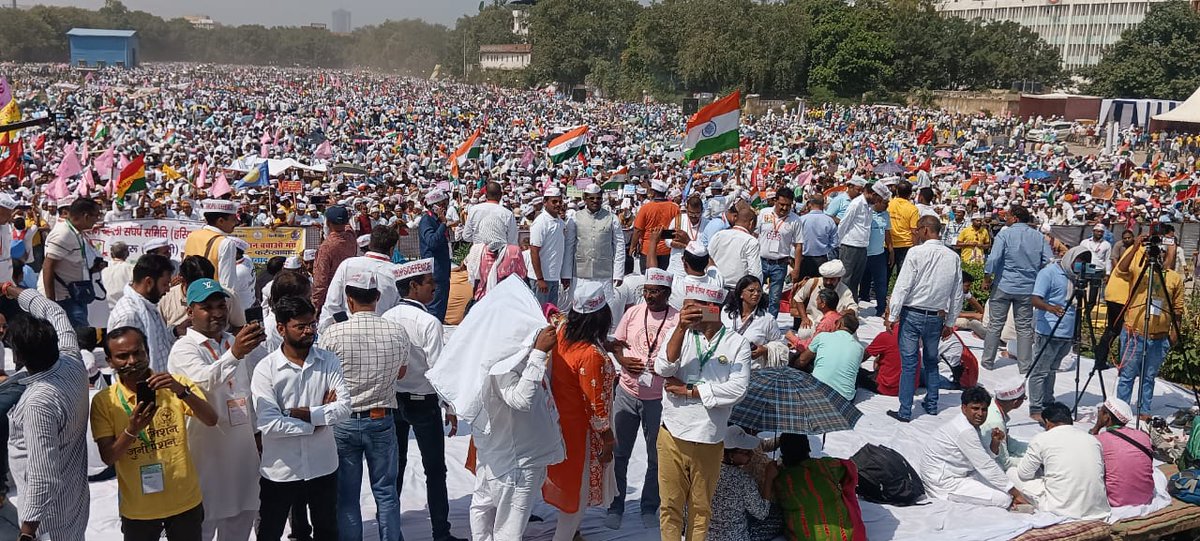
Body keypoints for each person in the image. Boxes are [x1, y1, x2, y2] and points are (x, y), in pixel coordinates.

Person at [92, 326, 220, 540]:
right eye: (122, 356)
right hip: (139, 509)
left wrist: (182, 391)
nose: (132, 361)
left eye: (137, 352)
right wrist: (132, 430)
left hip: (184, 501)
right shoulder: (105, 401)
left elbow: (211, 419)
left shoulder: (175, 386)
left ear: (147, 352)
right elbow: (108, 457)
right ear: (109, 362)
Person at [167, 278, 269, 541]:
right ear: (189, 311)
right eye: (207, 307)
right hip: (205, 456)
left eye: (221, 305)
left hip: (242, 455)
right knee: (201, 525)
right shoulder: (184, 349)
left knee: (240, 522)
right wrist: (234, 354)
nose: (217, 313)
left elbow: (247, 391)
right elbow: (202, 382)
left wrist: (257, 432)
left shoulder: (233, 342)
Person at [655, 281, 752, 541]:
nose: (685, 313)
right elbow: (662, 369)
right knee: (670, 506)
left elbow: (737, 390)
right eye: (684, 308)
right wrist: (679, 329)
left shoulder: (737, 344)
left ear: (712, 309)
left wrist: (690, 390)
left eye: (691, 309)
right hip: (672, 433)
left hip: (709, 437)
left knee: (700, 508)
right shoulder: (681, 333)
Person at [318, 273, 410, 541]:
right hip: (381, 418)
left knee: (347, 495)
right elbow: (401, 372)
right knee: (386, 492)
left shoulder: (332, 333)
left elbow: (323, 378)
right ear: (378, 297)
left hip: (344, 421)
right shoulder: (396, 330)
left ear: (349, 300)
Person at [251, 296, 351, 541]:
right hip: (281, 471)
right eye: (301, 326)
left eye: (313, 324)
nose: (309, 331)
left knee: (327, 530)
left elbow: (345, 407)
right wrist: (316, 423)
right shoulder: (266, 369)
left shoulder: (328, 361)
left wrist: (304, 413)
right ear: (281, 328)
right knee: (271, 532)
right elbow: (269, 423)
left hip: (322, 466)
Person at [383, 259, 465, 541]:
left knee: (397, 466)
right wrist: (450, 406)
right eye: (429, 282)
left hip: (394, 399)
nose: (434, 287)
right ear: (414, 287)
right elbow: (438, 369)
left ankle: (390, 531)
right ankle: (441, 533)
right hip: (423, 401)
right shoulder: (428, 322)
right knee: (434, 469)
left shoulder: (387, 317)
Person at [5, 284, 90, 541]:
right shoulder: (71, 360)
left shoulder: (38, 403)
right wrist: (16, 291)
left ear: (18, 356)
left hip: (49, 520)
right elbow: (56, 313)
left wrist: (27, 532)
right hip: (75, 499)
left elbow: (43, 476)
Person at [468, 326, 564, 541]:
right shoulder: (503, 363)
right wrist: (539, 354)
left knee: (483, 506)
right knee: (508, 531)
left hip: (502, 452)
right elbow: (520, 399)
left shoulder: (498, 355)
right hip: (517, 462)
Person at [544, 282, 617, 541]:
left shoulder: (561, 329)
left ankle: (572, 533)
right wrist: (608, 440)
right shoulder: (591, 355)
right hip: (580, 431)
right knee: (578, 489)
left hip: (556, 421)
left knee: (568, 483)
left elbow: (551, 313)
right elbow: (595, 407)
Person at [606, 268, 677, 529]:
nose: (649, 296)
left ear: (667, 294)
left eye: (655, 292)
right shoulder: (633, 313)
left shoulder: (676, 321)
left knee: (655, 456)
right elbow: (616, 343)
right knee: (619, 452)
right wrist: (623, 360)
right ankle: (616, 505)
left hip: (658, 398)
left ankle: (649, 506)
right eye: (646, 291)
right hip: (626, 392)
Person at [885, 215, 962, 423]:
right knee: (931, 361)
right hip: (936, 316)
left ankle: (905, 410)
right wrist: (950, 322)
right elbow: (957, 294)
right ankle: (932, 404)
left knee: (910, 363)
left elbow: (903, 285)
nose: (916, 233)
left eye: (918, 230)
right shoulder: (952, 257)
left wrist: (893, 314)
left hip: (913, 314)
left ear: (926, 230)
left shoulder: (916, 252)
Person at [919, 386, 1030, 510]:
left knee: (1001, 479)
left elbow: (984, 458)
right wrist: (1015, 493)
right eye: (975, 408)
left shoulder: (971, 426)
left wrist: (995, 443)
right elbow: (985, 465)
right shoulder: (964, 430)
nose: (980, 414)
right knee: (1004, 499)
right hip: (944, 483)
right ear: (964, 408)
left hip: (962, 472)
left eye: (984, 410)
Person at [1113, 235, 1184, 418]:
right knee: (1127, 377)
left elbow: (1178, 309)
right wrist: (1136, 246)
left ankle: (1144, 411)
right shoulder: (1140, 270)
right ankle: (1121, 411)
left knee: (1149, 377)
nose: (1158, 256)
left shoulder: (1174, 278)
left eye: (1161, 253)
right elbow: (1120, 269)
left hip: (1159, 338)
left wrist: (1175, 333)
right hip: (1134, 334)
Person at [1009, 402, 1110, 520]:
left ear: (1048, 422)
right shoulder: (1092, 440)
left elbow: (1024, 474)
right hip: (1097, 509)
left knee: (1011, 472)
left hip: (1061, 509)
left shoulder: (1041, 439)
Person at [982, 205, 1053, 370]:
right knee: (1024, 328)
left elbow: (993, 259)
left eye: (1007, 215)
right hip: (1028, 288)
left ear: (1014, 218)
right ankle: (1024, 366)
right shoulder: (1039, 236)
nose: (1005, 218)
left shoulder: (1004, 234)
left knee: (995, 325)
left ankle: (987, 362)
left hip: (1004, 285)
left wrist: (987, 277)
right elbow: (1049, 260)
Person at [1027, 246, 1088, 422]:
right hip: (1049, 330)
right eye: (1079, 261)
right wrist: (1050, 308)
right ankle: (1036, 407)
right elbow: (1035, 298)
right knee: (1040, 370)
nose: (1081, 265)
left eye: (1084, 263)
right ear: (1071, 259)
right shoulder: (1049, 273)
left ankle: (1048, 401)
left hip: (1066, 332)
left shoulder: (1075, 277)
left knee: (1052, 370)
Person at [774, 433, 866, 541]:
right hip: (846, 536)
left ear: (783, 452)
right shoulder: (825, 465)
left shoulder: (780, 478)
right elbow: (849, 467)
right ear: (807, 447)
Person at [318, 225, 401, 331]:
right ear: (391, 249)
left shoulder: (347, 264)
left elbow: (332, 304)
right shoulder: (397, 272)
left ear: (370, 244)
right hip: (383, 334)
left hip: (346, 331)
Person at [107, 254, 179, 373]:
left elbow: (158, 342)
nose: (167, 290)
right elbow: (123, 364)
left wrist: (175, 332)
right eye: (165, 284)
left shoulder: (148, 307)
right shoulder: (129, 315)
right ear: (149, 282)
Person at [706, 426, 778, 541]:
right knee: (777, 516)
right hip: (736, 536)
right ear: (731, 455)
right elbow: (762, 513)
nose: (751, 455)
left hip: (707, 535)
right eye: (746, 452)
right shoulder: (743, 479)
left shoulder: (707, 471)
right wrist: (769, 478)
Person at [41, 197, 102, 327]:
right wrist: (51, 304)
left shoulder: (75, 232)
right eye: (96, 216)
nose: (97, 219)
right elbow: (48, 267)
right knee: (79, 338)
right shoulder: (62, 234)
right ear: (85, 216)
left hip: (76, 295)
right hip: (64, 298)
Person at [1089, 398, 1154, 507]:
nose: (1098, 413)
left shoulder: (1099, 440)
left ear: (1106, 417)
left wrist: (1096, 427)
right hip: (1145, 497)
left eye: (1101, 411)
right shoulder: (1143, 436)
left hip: (1116, 500)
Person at [565, 183, 626, 291]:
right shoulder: (575, 218)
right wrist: (566, 274)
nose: (595, 201)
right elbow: (569, 246)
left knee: (605, 306)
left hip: (604, 274)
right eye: (591, 198)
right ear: (585, 199)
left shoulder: (612, 218)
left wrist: (618, 274)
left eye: (598, 198)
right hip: (580, 274)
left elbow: (619, 247)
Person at [182, 199, 242, 307]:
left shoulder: (192, 235)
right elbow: (227, 286)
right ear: (221, 221)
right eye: (233, 219)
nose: (237, 223)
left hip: (191, 298)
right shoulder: (226, 243)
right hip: (211, 302)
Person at [793, 313, 863, 400]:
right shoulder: (860, 348)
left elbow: (802, 360)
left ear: (839, 324)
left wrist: (793, 368)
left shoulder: (823, 336)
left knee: (808, 361)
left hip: (818, 390)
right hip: (845, 399)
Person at [721, 275, 786, 369]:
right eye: (751, 290)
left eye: (759, 291)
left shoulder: (767, 319)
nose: (756, 294)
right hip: (724, 366)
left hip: (751, 371)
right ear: (741, 294)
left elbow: (781, 344)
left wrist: (765, 350)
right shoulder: (726, 312)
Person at [756, 188, 801, 317]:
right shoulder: (764, 213)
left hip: (780, 264)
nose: (784, 208)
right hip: (761, 260)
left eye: (788, 205)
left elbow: (798, 245)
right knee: (754, 293)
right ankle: (754, 320)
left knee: (775, 298)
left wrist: (796, 268)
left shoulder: (795, 220)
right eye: (782, 204)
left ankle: (771, 324)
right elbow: (755, 234)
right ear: (775, 201)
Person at [839, 181, 888, 294]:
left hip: (862, 247)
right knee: (846, 279)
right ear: (873, 194)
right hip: (850, 246)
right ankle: (843, 306)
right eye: (878, 199)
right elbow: (844, 224)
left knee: (856, 281)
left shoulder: (869, 207)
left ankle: (852, 306)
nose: (877, 202)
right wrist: (841, 243)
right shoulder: (856, 204)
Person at [790, 260, 858, 338]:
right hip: (814, 319)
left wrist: (846, 312)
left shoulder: (845, 290)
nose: (828, 282)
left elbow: (853, 308)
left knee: (851, 336)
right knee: (804, 333)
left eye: (832, 280)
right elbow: (798, 299)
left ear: (838, 279)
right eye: (826, 279)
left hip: (834, 323)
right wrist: (804, 318)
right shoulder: (813, 282)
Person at [708, 201, 761, 289]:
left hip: (714, 286)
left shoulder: (719, 235)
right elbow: (755, 273)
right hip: (736, 290)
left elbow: (708, 258)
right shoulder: (751, 241)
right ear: (751, 223)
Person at [530, 187, 568, 306]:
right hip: (541, 279)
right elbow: (534, 251)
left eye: (559, 201)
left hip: (554, 278)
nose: (557, 204)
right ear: (545, 202)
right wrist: (540, 279)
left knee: (551, 316)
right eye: (554, 201)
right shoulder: (541, 222)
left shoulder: (560, 222)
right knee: (540, 317)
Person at [420, 189, 453, 321]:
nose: (444, 208)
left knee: (441, 307)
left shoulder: (437, 221)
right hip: (435, 272)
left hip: (442, 270)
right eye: (442, 205)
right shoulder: (426, 220)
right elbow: (432, 242)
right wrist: (444, 224)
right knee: (434, 309)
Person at [979, 380, 1029, 470]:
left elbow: (1008, 443)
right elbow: (1005, 463)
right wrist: (1033, 461)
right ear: (1016, 402)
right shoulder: (996, 422)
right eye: (1024, 398)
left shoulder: (993, 406)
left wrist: (1035, 449)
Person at [631, 179, 679, 270]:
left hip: (648, 250)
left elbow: (637, 230)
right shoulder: (675, 208)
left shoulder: (645, 208)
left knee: (648, 278)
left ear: (653, 192)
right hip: (667, 250)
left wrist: (632, 247)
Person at [858, 187, 892, 313]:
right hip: (863, 252)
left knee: (881, 283)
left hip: (879, 254)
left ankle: (881, 308)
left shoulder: (886, 215)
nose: (887, 206)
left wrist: (891, 249)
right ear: (877, 202)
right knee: (860, 280)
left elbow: (887, 232)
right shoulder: (867, 212)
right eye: (885, 203)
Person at [795, 193, 838, 280]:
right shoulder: (829, 221)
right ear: (823, 205)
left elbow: (795, 241)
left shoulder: (801, 220)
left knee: (802, 288)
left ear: (810, 204)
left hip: (804, 260)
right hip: (822, 259)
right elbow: (834, 243)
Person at [464, 182, 518, 247]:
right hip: (500, 253)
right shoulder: (507, 213)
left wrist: (479, 240)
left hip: (479, 252)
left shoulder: (474, 210)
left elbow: (466, 236)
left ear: (486, 195)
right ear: (501, 195)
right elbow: (512, 240)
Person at [886, 180, 920, 275]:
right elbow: (914, 231)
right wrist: (916, 249)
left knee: (885, 276)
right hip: (905, 245)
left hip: (888, 244)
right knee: (903, 277)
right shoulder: (913, 209)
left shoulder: (888, 204)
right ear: (910, 194)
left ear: (897, 191)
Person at [102, 240, 135, 309]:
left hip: (103, 309)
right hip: (123, 309)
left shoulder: (102, 268)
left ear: (111, 254)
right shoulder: (131, 269)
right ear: (127, 254)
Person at [954, 272, 987, 339]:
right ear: (959, 284)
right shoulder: (951, 294)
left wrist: (984, 314)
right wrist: (974, 315)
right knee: (972, 322)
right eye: (967, 286)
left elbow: (974, 302)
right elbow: (950, 314)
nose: (969, 288)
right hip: (948, 320)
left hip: (957, 315)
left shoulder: (964, 291)